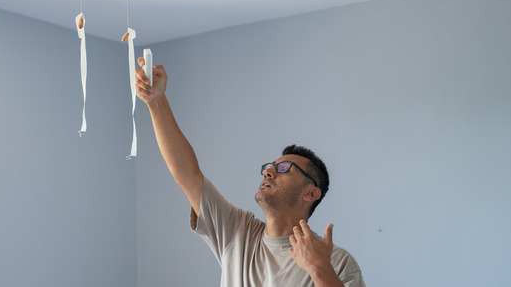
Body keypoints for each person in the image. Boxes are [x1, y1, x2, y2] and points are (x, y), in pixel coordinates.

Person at [135, 58, 365, 287]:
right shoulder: (237, 232)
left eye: (284, 168)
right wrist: (156, 101)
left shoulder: (337, 262)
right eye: (269, 167)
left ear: (312, 193)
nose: (269, 172)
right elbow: (188, 176)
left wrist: (320, 270)